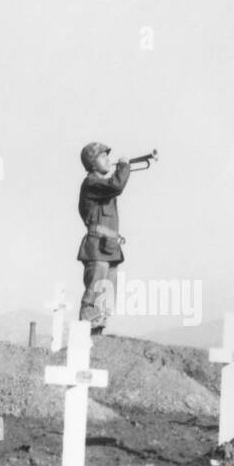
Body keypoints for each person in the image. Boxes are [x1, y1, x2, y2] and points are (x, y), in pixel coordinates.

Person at [75, 142, 149, 335]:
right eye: (102, 156)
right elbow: (117, 185)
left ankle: (97, 333)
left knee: (106, 295)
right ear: (92, 163)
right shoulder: (92, 182)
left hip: (110, 248)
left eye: (108, 156)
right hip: (97, 247)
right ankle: (85, 331)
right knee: (95, 291)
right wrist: (124, 166)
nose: (109, 159)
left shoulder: (102, 186)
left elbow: (113, 186)